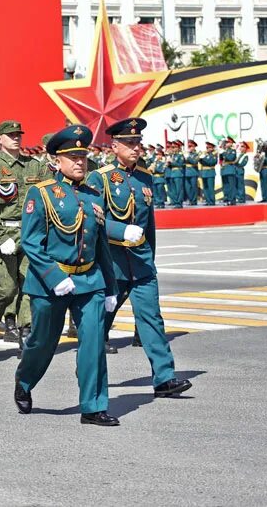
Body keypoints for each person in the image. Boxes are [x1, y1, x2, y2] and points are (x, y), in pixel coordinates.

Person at [14, 124, 119, 426]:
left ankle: (93, 406)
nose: (79, 162)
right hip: (52, 283)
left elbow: (101, 246)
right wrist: (54, 276)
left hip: (89, 280)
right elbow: (31, 242)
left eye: (82, 157)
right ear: (56, 162)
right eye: (71, 157)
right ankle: (24, 380)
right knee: (43, 341)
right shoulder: (42, 193)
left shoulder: (94, 195)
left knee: (93, 342)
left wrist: (110, 286)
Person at [86, 118, 193, 399]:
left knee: (152, 319)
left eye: (138, 142)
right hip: (113, 265)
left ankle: (164, 377)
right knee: (99, 324)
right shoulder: (100, 177)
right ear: (115, 145)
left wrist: (150, 257)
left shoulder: (145, 177)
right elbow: (94, 221)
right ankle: (88, 373)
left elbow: (150, 226)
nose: (136, 148)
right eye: (129, 143)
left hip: (141, 263)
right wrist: (122, 230)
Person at [0, 120, 43, 355]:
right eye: (10, 135)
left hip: (30, 232)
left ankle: (25, 332)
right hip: (4, 234)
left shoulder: (35, 166)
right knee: (6, 288)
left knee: (29, 284)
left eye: (19, 134)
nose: (16, 138)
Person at [219, 137, 237, 206]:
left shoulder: (233, 151)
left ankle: (232, 200)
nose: (226, 144)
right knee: (225, 185)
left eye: (228, 142)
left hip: (230, 169)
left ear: (231, 143)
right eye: (226, 143)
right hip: (224, 169)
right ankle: (226, 198)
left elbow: (231, 158)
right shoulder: (223, 150)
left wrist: (224, 153)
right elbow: (220, 160)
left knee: (231, 186)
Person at [199, 142, 218, 206]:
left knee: (210, 188)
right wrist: (200, 159)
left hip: (210, 172)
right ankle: (208, 200)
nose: (208, 149)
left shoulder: (214, 155)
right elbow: (201, 162)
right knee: (205, 188)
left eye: (209, 147)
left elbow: (211, 162)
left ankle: (212, 201)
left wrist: (203, 158)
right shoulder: (205, 154)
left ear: (212, 148)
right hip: (204, 172)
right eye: (207, 147)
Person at [184, 140, 199, 206]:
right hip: (187, 172)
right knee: (188, 188)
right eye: (189, 146)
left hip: (193, 172)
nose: (189, 148)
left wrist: (188, 157)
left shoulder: (196, 154)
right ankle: (190, 199)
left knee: (193, 187)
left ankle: (194, 200)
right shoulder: (186, 154)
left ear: (194, 147)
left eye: (191, 146)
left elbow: (194, 162)